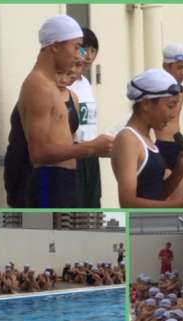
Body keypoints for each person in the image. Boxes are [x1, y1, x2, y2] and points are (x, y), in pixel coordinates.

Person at [14, 15, 112, 208]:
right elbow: (39, 153)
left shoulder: (53, 87)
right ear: (55, 46)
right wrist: (91, 148)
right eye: (76, 47)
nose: (78, 55)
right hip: (49, 180)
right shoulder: (38, 86)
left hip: (64, 180)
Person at [111, 68, 183, 208]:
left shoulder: (147, 140)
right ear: (146, 104)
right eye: (170, 106)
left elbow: (157, 195)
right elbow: (128, 203)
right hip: (138, 222)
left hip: (153, 221)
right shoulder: (128, 140)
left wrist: (179, 170)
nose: (173, 115)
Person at [70, 28, 114, 208]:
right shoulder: (65, 84)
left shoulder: (86, 83)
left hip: (91, 154)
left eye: (93, 51)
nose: (88, 56)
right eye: (83, 49)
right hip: (73, 153)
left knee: (93, 204)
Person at [155, 43, 183, 199]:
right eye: (179, 67)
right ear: (166, 66)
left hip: (177, 145)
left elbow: (175, 121)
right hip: (162, 146)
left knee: (179, 198)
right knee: (165, 199)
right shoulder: (156, 91)